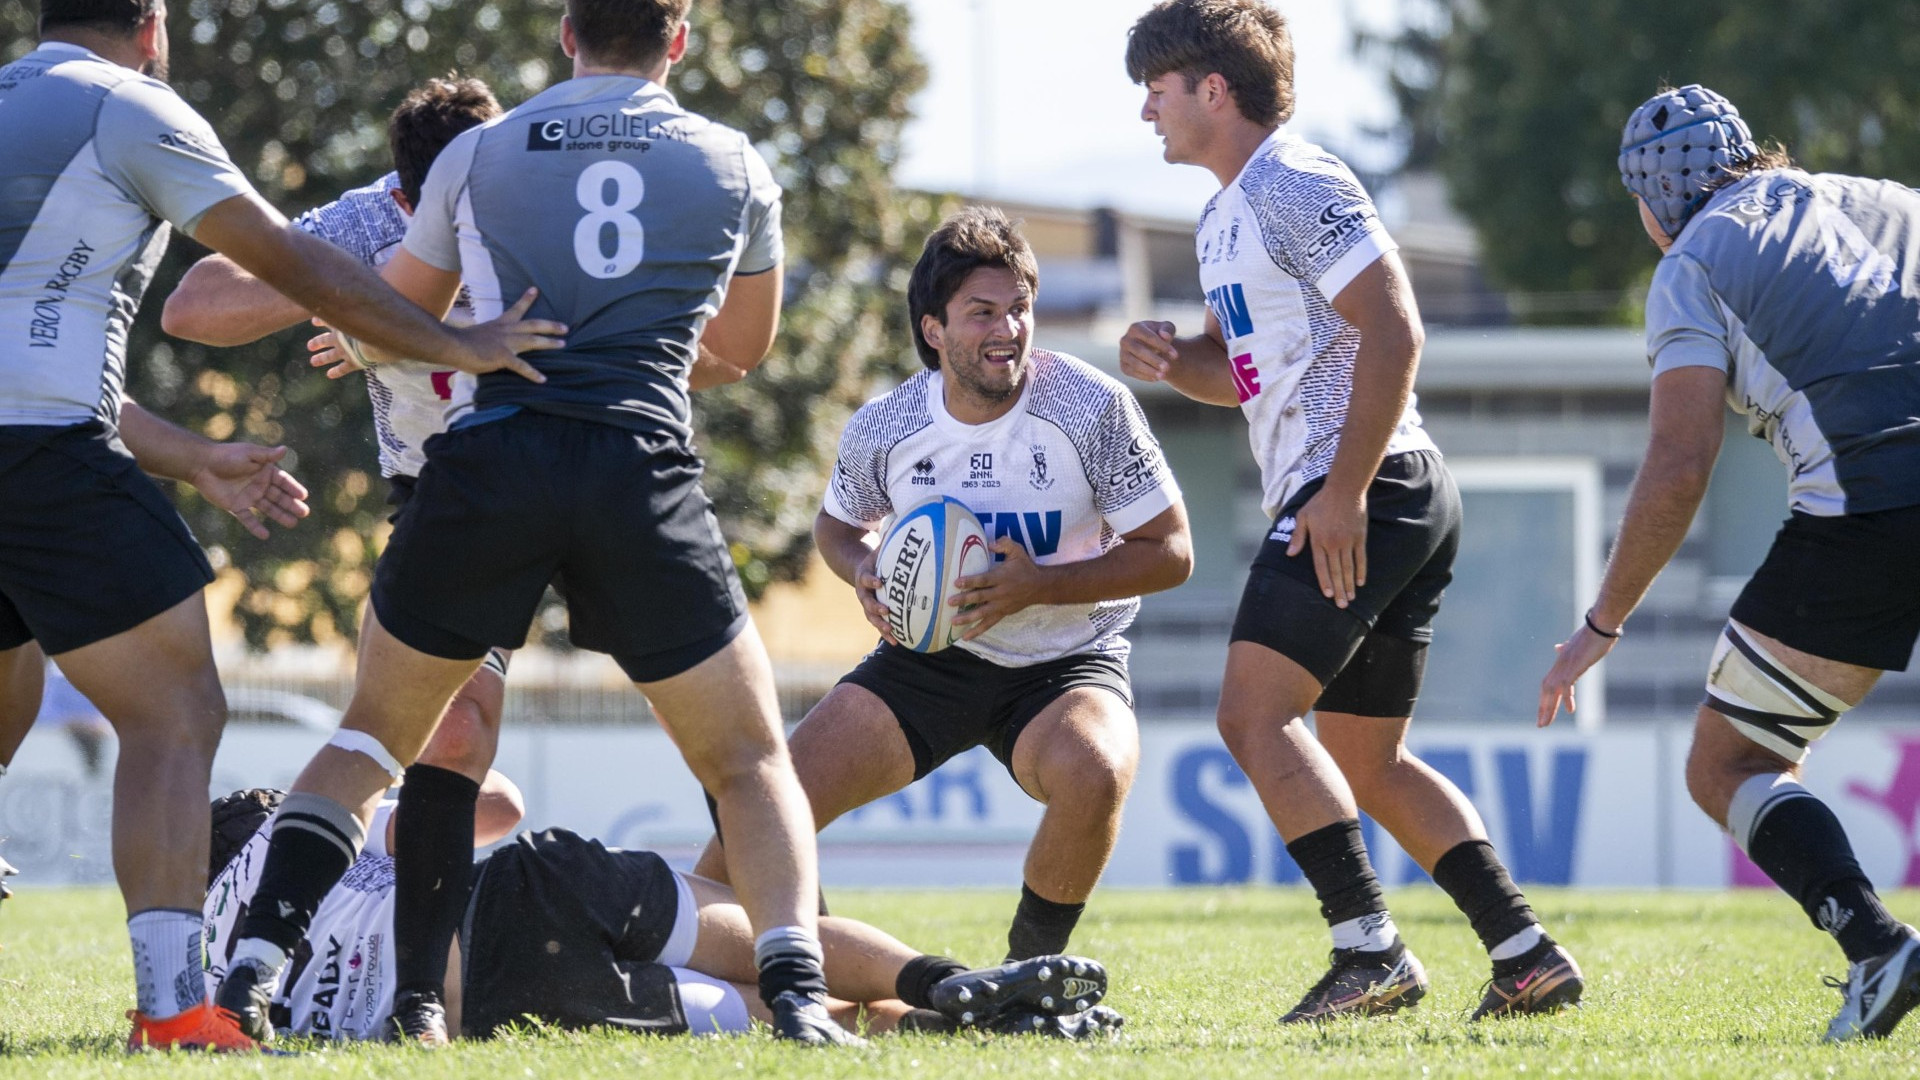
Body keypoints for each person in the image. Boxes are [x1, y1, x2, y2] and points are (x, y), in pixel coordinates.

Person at [211, 0, 848, 1047]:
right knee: (748, 760)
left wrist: (421, 343)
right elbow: (742, 348)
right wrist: (625, 356)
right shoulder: (734, 160)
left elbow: (401, 308)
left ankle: (247, 978)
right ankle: (800, 999)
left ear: (565, 32)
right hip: (635, 465)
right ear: (679, 40)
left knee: (371, 738)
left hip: (491, 464)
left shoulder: (480, 152)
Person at [0, 0, 557, 1052]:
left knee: (4, 711)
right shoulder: (132, 106)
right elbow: (269, 268)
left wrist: (196, 455)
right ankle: (183, 1008)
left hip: (42, 438)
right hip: (49, 457)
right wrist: (434, 331)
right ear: (152, 24)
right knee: (178, 712)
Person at [1118, 0, 1581, 1023]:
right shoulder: (1222, 214)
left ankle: (1368, 950)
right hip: (1373, 491)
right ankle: (1526, 953)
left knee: (1251, 716)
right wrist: (1174, 360)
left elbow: (1397, 327)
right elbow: (1243, 375)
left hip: (1368, 489)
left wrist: (1344, 492)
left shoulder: (1295, 178)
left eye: (1157, 89)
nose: (1146, 111)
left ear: (1213, 89)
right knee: (1369, 760)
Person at [692, 207, 1191, 964]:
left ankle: (1025, 977)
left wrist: (1038, 586)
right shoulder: (886, 425)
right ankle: (746, 974)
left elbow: (1172, 552)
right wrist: (864, 569)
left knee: (1096, 771)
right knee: (760, 814)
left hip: (1065, 662)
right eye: (982, 312)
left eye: (1020, 308)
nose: (1008, 330)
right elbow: (836, 527)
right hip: (928, 659)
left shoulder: (1090, 406)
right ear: (933, 329)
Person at [1541, 84, 1920, 1042]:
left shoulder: (1692, 263)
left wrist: (1600, 624)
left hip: (1869, 511)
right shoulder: (1890, 201)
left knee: (1730, 762)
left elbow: (1680, 462)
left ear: (1656, 200)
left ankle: (1877, 947)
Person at [161, 76, 518, 1040]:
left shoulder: (540, 194)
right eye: (443, 205)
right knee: (451, 732)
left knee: (715, 721)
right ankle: (401, 1000)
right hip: (446, 493)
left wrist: (386, 324)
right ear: (405, 198)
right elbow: (193, 307)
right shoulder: (365, 218)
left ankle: (784, 947)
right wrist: (348, 289)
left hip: (576, 474)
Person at [204, 782, 1121, 1042]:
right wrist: (409, 778)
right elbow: (496, 808)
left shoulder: (212, 981)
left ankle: (947, 1026)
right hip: (528, 888)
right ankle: (947, 982)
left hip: (496, 997)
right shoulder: (298, 830)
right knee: (771, 939)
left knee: (769, 1017)